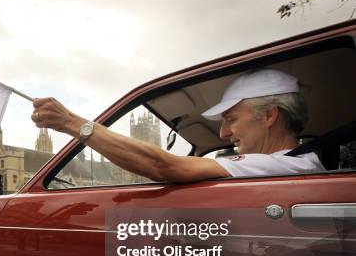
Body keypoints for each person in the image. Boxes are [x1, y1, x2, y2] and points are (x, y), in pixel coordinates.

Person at [31, 69, 325, 182]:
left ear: (269, 116)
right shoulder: (295, 166)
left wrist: (72, 123)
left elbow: (165, 166)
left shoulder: (274, 167)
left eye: (231, 120)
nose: (223, 133)